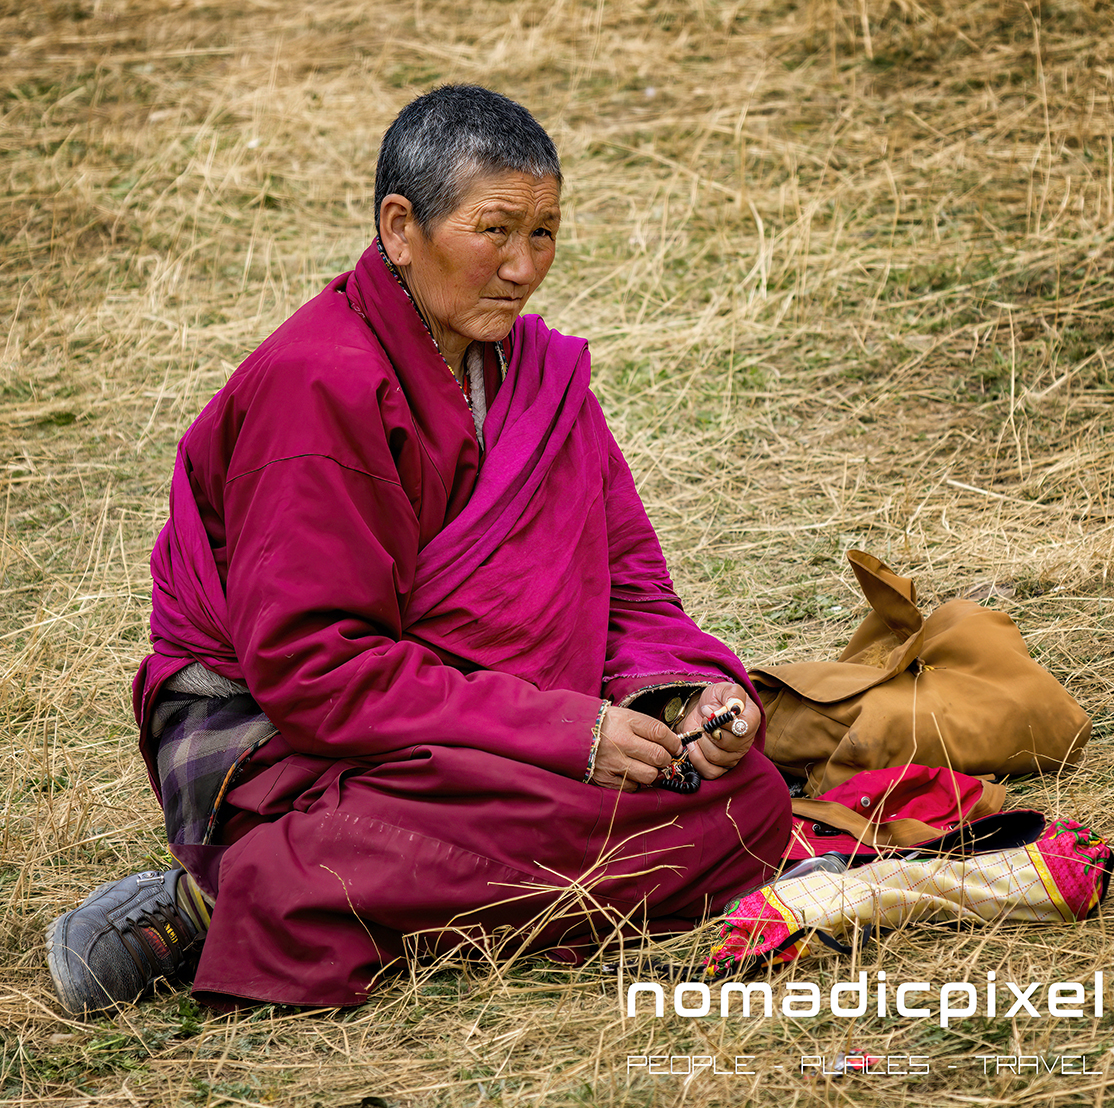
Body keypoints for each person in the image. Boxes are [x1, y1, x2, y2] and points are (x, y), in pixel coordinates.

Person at [46, 85, 792, 1016]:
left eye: (546, 234)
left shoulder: (540, 379)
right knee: (505, 815)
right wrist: (569, 735)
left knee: (750, 800)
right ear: (401, 228)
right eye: (496, 231)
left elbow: (631, 585)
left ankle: (349, 895)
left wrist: (685, 694)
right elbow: (315, 673)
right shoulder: (319, 386)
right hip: (284, 735)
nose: (523, 268)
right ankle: (234, 892)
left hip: (479, 723)